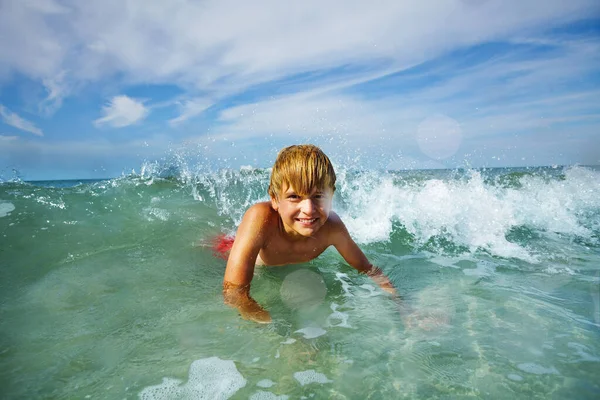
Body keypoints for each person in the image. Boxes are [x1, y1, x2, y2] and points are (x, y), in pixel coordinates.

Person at [222, 144, 396, 323]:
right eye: (294, 197)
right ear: (275, 199)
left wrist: (400, 304)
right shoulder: (260, 218)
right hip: (228, 251)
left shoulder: (332, 228)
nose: (309, 209)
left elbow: (368, 269)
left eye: (318, 196)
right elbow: (233, 291)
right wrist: (268, 323)